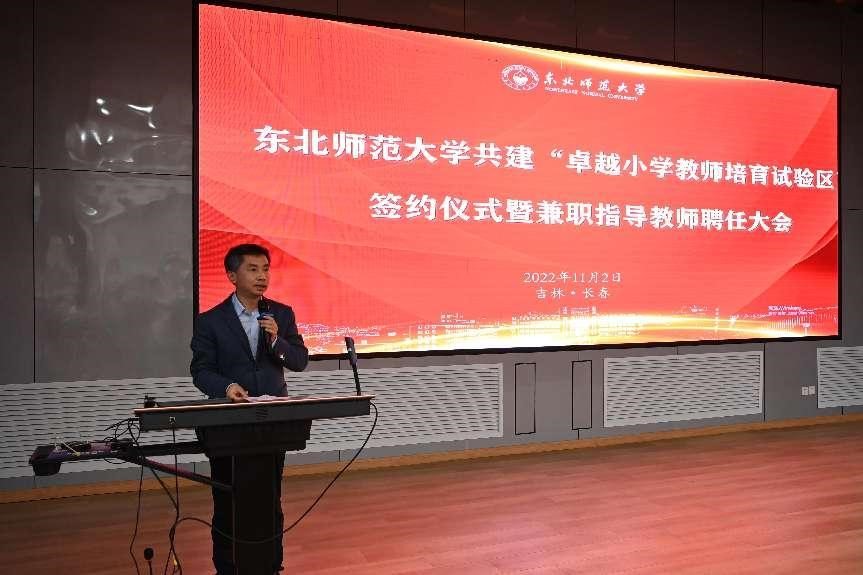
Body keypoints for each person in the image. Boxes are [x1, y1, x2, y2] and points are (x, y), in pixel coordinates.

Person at [190, 243, 308, 574]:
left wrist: (277, 341)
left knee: (270, 498)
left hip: (272, 423)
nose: (262, 276)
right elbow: (201, 371)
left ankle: (272, 564)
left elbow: (299, 360)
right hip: (229, 425)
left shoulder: (281, 314)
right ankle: (228, 567)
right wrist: (226, 387)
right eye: (253, 269)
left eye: (266, 269)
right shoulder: (210, 321)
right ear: (232, 275)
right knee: (227, 501)